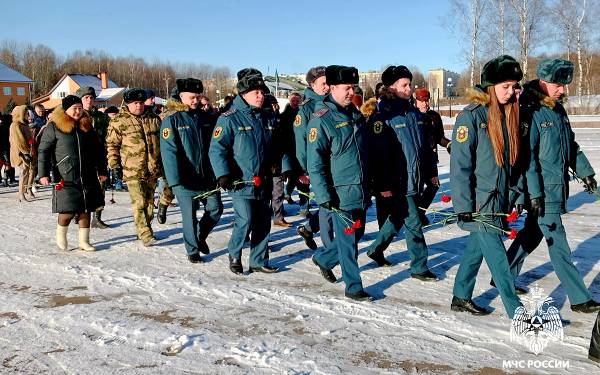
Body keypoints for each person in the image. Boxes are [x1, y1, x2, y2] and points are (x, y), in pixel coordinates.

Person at [499, 58, 600, 313]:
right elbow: (527, 158)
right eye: (558, 84)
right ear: (543, 82)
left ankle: (504, 276)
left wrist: (586, 173)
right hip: (542, 191)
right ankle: (579, 298)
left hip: (556, 187)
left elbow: (571, 147)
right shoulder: (530, 111)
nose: (563, 89)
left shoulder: (558, 110)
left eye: (565, 85)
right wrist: (533, 194)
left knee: (532, 235)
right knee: (559, 244)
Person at [450, 55, 525, 318]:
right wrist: (463, 206)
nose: (510, 92)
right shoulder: (470, 117)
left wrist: (515, 194)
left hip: (499, 199)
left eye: (514, 86)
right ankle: (517, 311)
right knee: (498, 259)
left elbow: (510, 165)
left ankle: (460, 295)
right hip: (479, 202)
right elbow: (459, 167)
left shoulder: (507, 115)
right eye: (505, 86)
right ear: (490, 86)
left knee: (476, 249)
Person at [210, 68, 291, 274]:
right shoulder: (230, 118)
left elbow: (279, 146)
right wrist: (223, 174)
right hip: (240, 181)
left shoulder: (267, 117)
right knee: (245, 219)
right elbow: (217, 149)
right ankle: (234, 254)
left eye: (262, 92)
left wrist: (283, 166)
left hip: (263, 180)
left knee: (264, 222)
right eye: (256, 92)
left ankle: (258, 260)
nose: (260, 95)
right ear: (243, 94)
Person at [363, 66, 439, 281]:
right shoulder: (382, 116)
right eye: (404, 85)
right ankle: (419, 266)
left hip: (414, 177)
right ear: (392, 87)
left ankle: (376, 249)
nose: (409, 88)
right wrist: (383, 184)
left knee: (398, 217)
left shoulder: (414, 113)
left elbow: (424, 147)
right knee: (414, 222)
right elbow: (378, 156)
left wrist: (431, 171)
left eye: (409, 84)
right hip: (397, 180)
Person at [307, 65, 372, 301]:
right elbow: (315, 164)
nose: (351, 92)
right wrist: (324, 196)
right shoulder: (321, 120)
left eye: (353, 87)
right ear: (332, 88)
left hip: (360, 188)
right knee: (347, 241)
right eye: (347, 88)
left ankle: (323, 258)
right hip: (339, 192)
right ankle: (353, 286)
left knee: (358, 233)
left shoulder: (354, 113)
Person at [161, 78, 223, 263]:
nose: (195, 101)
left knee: (216, 209)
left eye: (198, 97)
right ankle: (192, 250)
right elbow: (169, 152)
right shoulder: (172, 120)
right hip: (185, 178)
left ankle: (199, 235)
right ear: (181, 97)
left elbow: (215, 147)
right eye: (191, 97)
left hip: (207, 177)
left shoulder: (207, 118)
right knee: (189, 215)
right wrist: (175, 181)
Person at [38, 95, 108, 251]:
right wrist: (43, 174)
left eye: (80, 108)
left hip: (87, 173)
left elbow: (98, 150)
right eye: (74, 108)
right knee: (67, 210)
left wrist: (102, 170)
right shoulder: (54, 126)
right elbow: (44, 151)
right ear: (65, 109)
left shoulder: (87, 126)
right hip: (65, 175)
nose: (78, 111)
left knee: (86, 209)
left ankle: (84, 241)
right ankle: (61, 235)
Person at [106, 88, 162, 246]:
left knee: (150, 202)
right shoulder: (118, 121)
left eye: (141, 103)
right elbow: (112, 145)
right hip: (132, 169)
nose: (139, 106)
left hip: (152, 168)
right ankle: (144, 233)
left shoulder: (154, 119)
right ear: (128, 104)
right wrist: (114, 164)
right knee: (139, 202)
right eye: (135, 103)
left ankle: (146, 227)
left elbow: (162, 143)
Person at [294, 66, 333, 251]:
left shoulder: (332, 102)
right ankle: (329, 250)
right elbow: (301, 142)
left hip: (335, 164)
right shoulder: (307, 108)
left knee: (333, 203)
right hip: (317, 165)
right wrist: (305, 169)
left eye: (329, 83)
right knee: (327, 206)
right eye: (323, 84)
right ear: (312, 85)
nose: (327, 87)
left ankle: (308, 229)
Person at [414, 88, 451, 221]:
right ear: (416, 101)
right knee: (415, 190)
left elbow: (439, 137)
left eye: (427, 101)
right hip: (416, 160)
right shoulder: (411, 116)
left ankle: (419, 213)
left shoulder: (434, 116)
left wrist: (448, 144)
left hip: (430, 159)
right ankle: (416, 216)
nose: (425, 104)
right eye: (421, 101)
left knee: (434, 186)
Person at [76, 86, 111, 229]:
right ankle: (79, 213)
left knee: (101, 187)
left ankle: (97, 217)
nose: (89, 100)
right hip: (82, 157)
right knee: (82, 187)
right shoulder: (76, 116)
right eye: (86, 98)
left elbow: (109, 135)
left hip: (100, 156)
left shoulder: (101, 117)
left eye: (91, 97)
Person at [265, 94, 293, 228]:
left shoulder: (281, 121)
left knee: (278, 191)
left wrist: (286, 167)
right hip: (264, 165)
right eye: (272, 104)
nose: (275, 106)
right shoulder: (262, 121)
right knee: (264, 196)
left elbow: (285, 145)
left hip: (279, 163)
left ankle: (278, 217)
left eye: (276, 104)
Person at [280, 92, 303, 206]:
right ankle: (285, 195)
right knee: (288, 174)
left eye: (297, 101)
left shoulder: (303, 114)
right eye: (293, 100)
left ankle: (288, 193)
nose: (295, 103)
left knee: (296, 176)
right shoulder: (284, 115)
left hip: (299, 148)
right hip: (287, 149)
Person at [9, 105, 35, 201]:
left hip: (27, 151)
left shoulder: (24, 124)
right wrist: (25, 153)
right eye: (25, 114)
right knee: (23, 173)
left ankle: (25, 190)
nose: (27, 116)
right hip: (21, 153)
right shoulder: (15, 125)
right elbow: (19, 141)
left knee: (28, 172)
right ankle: (21, 193)